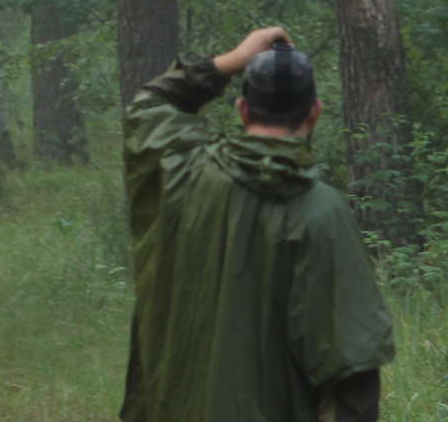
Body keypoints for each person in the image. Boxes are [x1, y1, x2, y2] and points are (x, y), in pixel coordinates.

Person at [121, 26, 395, 422]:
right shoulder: (322, 213)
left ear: (242, 110)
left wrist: (230, 60)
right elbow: (351, 371)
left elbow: (150, 104)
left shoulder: (180, 167)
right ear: (314, 113)